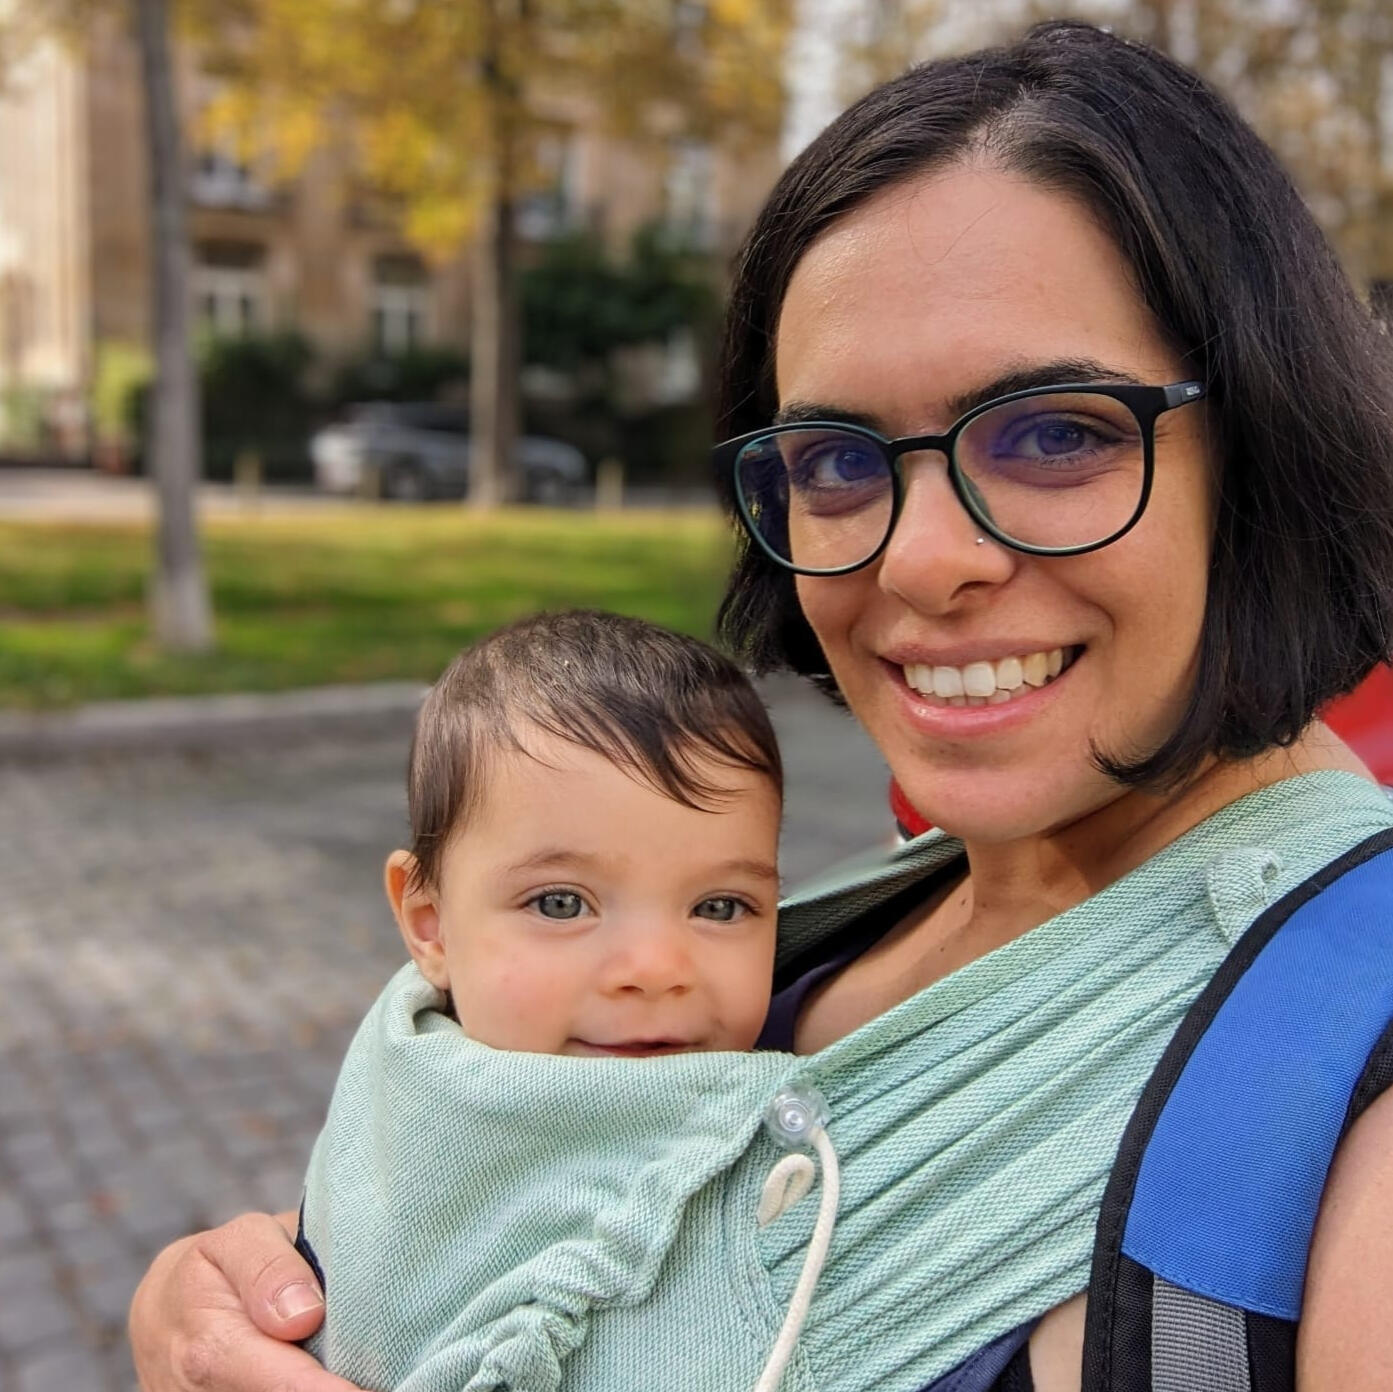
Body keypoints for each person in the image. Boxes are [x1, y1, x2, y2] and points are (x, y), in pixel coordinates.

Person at [129, 20, 1393, 1392]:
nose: (920, 560)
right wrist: (229, 1314)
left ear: (1261, 443)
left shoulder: (1350, 1075)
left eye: (1054, 433)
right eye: (836, 458)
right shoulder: (840, 921)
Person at [297, 608, 788, 1389]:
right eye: (561, 904)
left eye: (720, 907)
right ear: (430, 925)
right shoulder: (406, 1109)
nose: (655, 969)